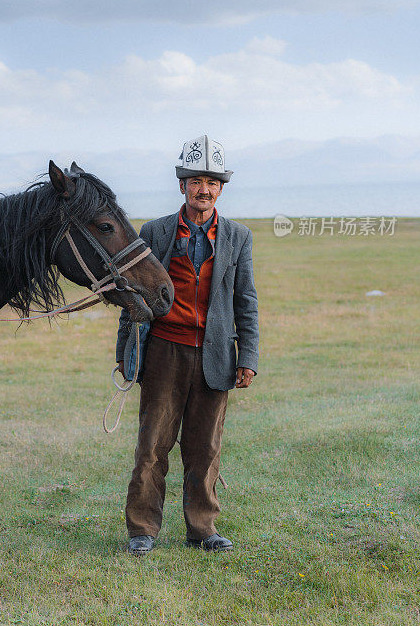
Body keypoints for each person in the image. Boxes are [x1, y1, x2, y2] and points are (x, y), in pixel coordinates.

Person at [116, 135, 259, 555]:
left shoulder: (238, 237)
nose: (204, 189)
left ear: (221, 189)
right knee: (153, 444)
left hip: (215, 355)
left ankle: (202, 529)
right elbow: (133, 298)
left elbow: (245, 301)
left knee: (205, 447)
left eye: (212, 183)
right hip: (163, 351)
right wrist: (127, 352)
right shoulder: (155, 232)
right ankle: (142, 530)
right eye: (196, 181)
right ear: (182, 186)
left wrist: (247, 356)